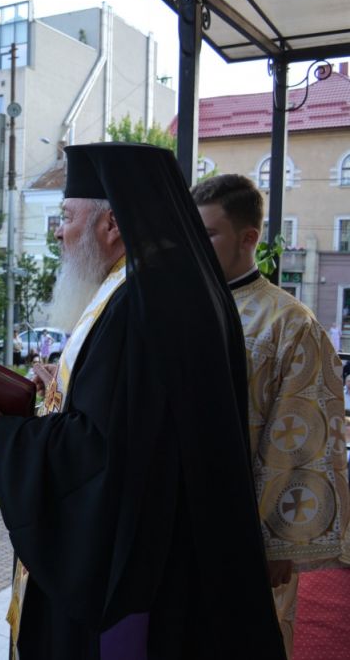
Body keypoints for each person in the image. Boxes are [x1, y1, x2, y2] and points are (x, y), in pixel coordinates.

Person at [0, 144, 282, 658]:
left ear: (111, 224)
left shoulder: (138, 305)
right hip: (178, 545)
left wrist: (4, 430)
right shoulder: (158, 287)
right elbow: (128, 413)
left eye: (66, 217)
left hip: (140, 570)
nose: (58, 232)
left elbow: (104, 451)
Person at [194, 173, 350, 655]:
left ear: (249, 238)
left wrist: (281, 542)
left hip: (247, 528)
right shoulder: (182, 309)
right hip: (182, 517)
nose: (196, 245)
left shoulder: (289, 323)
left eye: (210, 234)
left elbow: (305, 437)